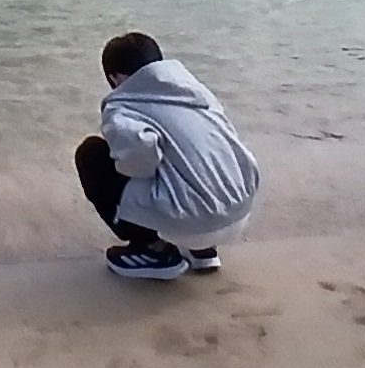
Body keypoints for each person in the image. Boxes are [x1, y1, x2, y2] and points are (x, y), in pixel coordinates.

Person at [75, 32, 261, 281]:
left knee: (91, 154)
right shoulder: (197, 93)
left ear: (114, 77)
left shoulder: (122, 107)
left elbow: (139, 163)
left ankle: (152, 250)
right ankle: (202, 250)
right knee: (191, 158)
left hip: (191, 221)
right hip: (238, 211)